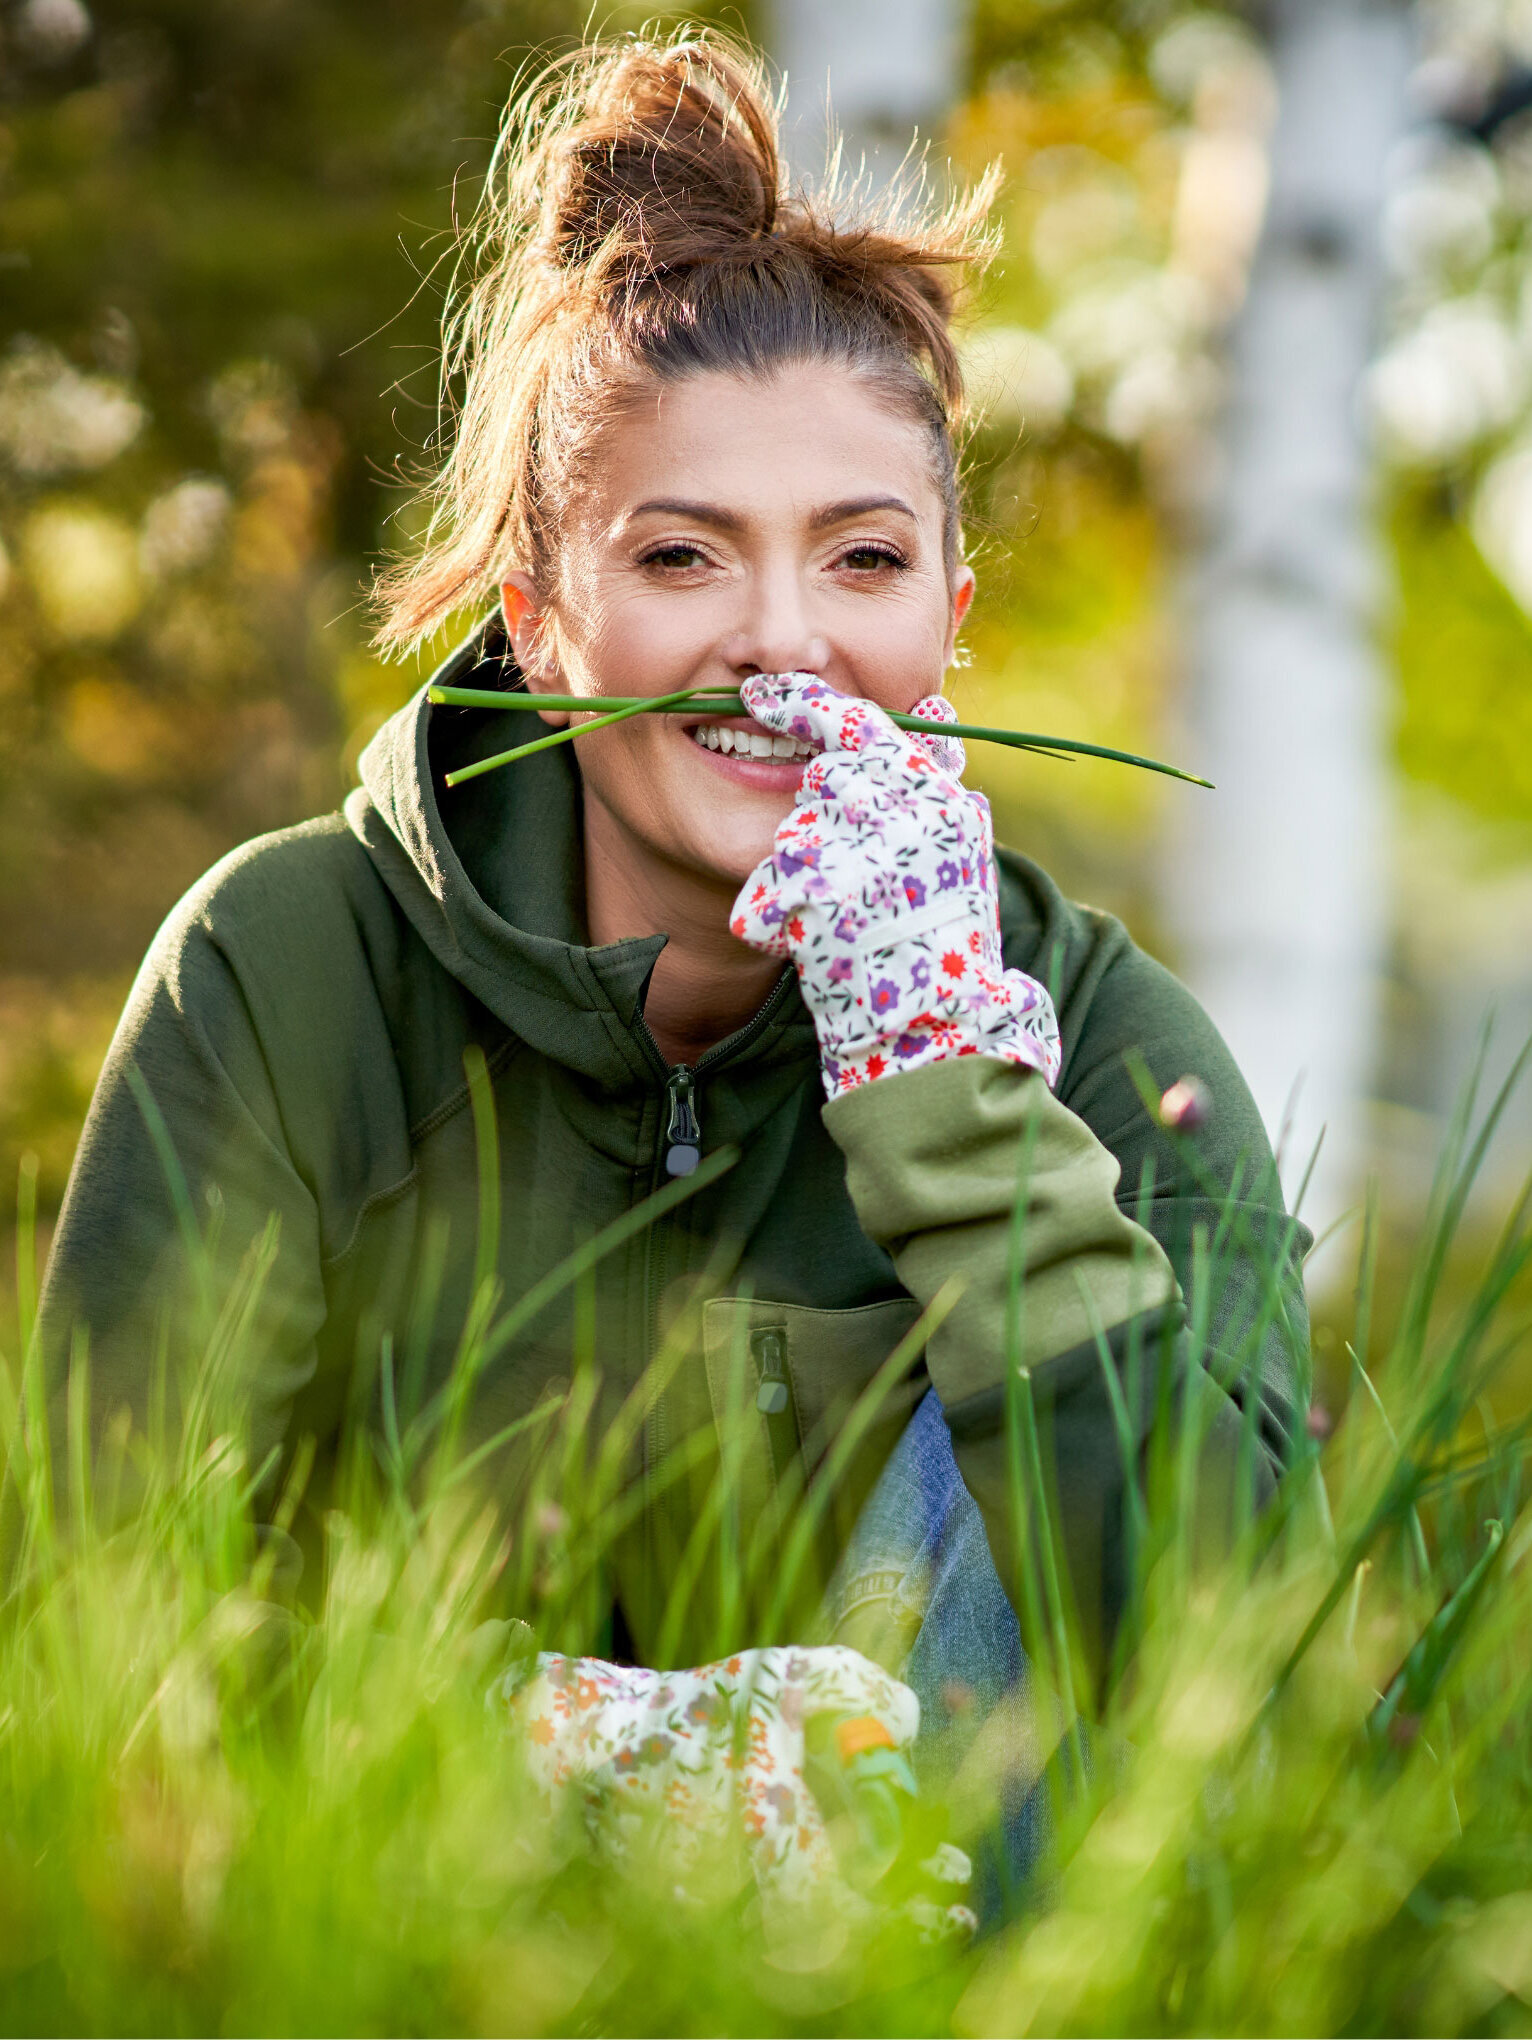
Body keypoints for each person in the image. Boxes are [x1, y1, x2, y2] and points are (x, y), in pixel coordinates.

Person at [39, 31, 1308, 1898]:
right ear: (543, 617)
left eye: (863, 561)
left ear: (950, 609)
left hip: (937, 1929)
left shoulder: (1098, 1025)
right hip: (406, 1918)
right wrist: (549, 1757)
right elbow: (95, 1611)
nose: (780, 643)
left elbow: (1253, 1692)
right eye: (684, 558)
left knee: (1056, 1368)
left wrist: (954, 1098)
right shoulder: (288, 966)